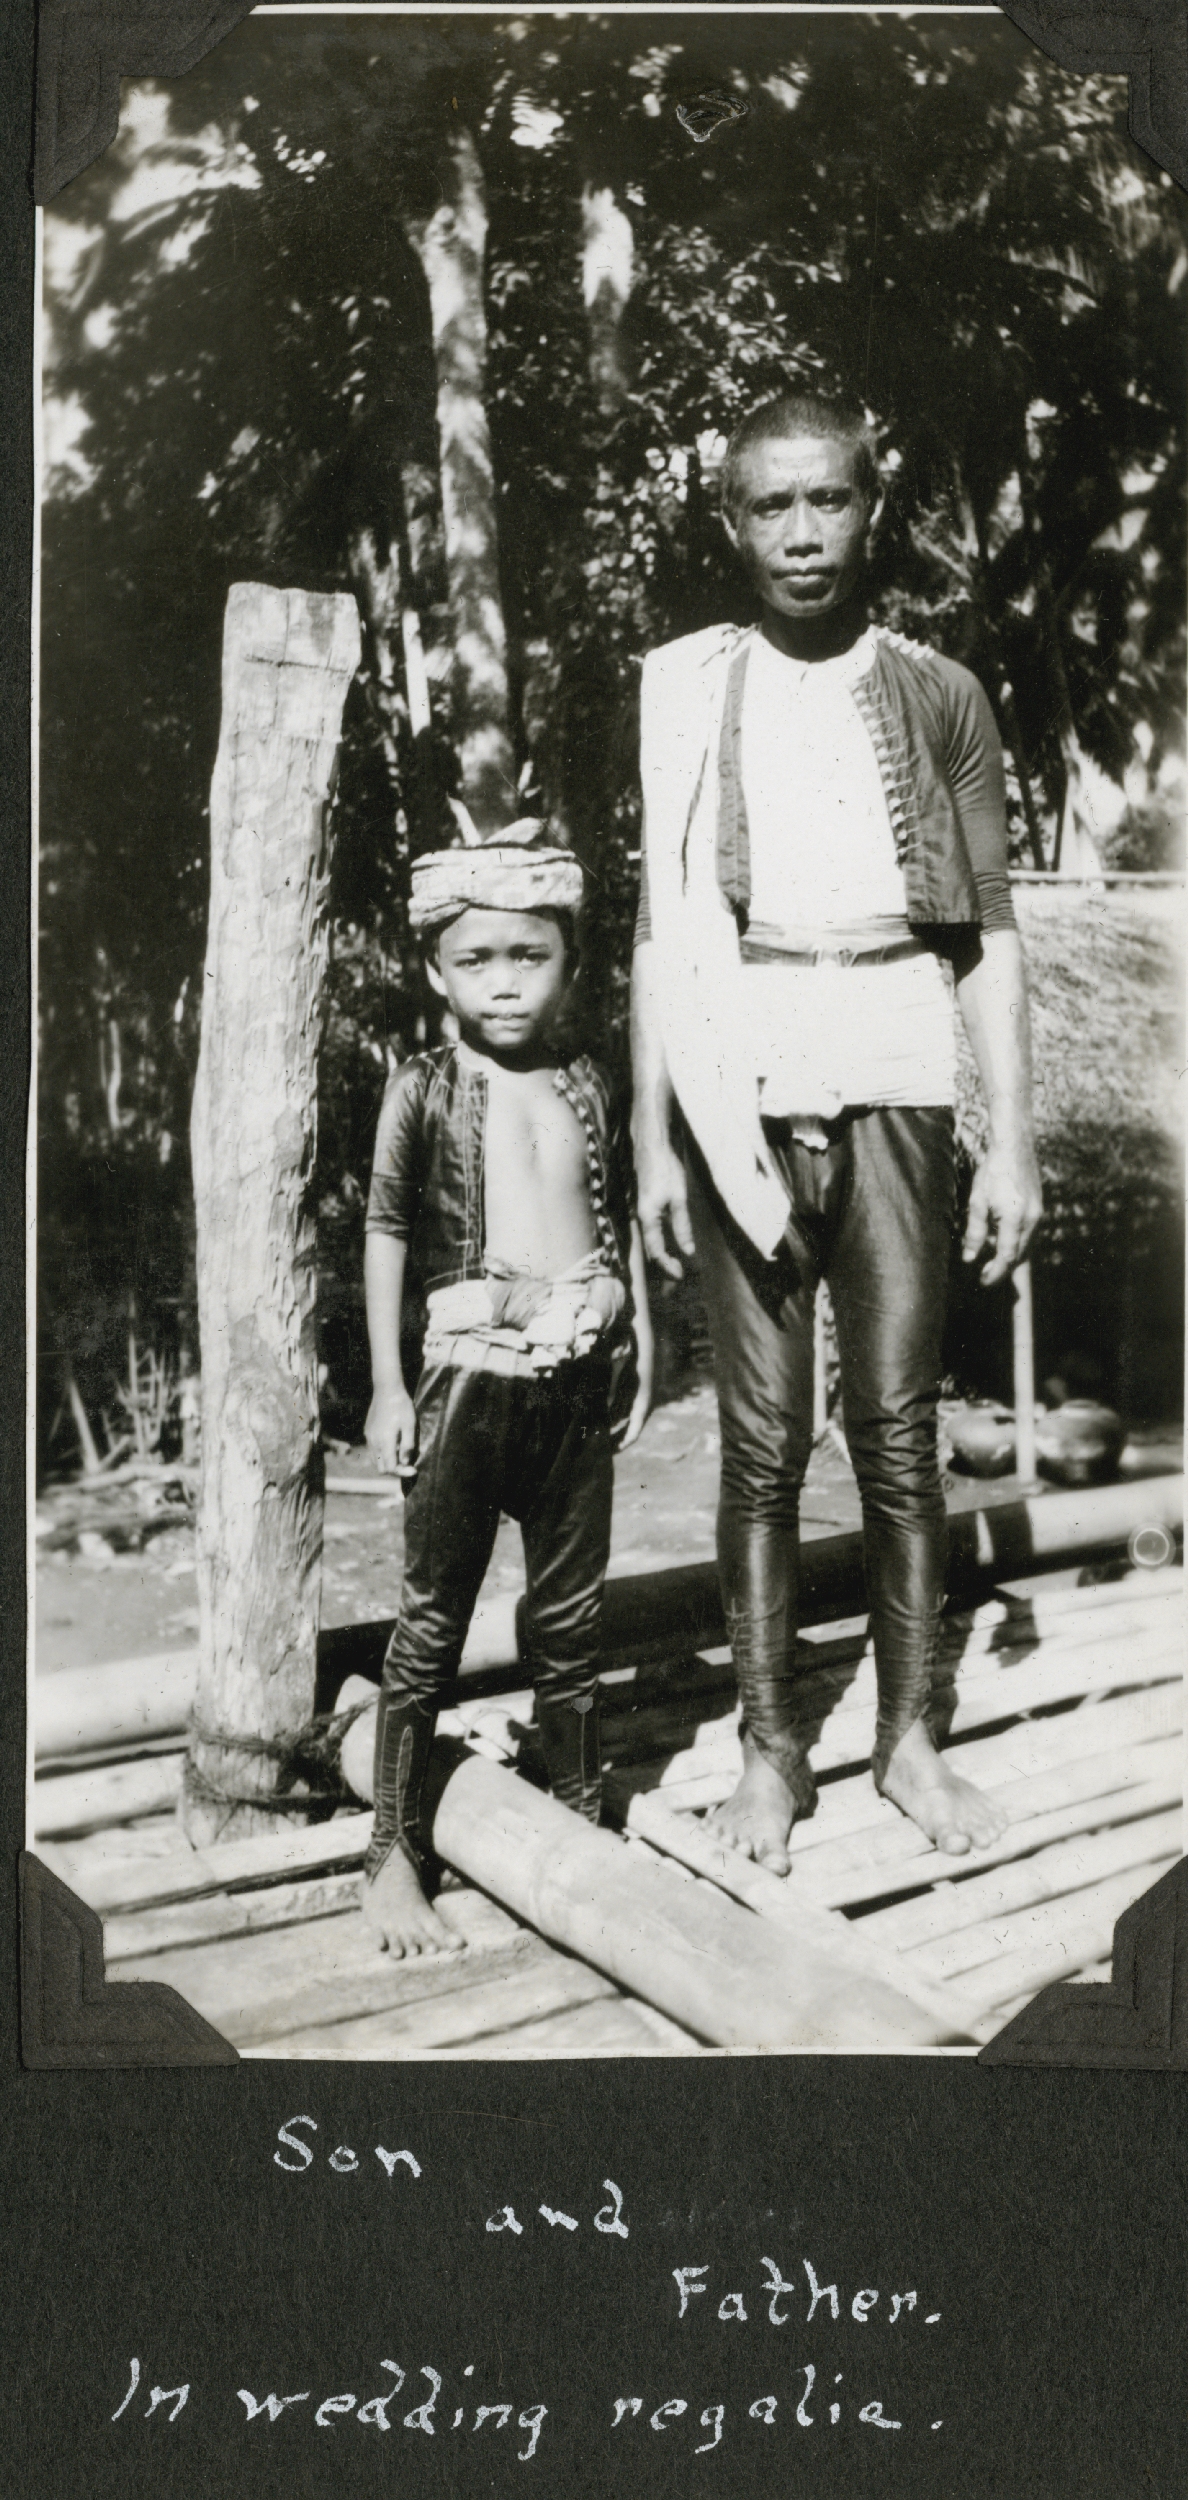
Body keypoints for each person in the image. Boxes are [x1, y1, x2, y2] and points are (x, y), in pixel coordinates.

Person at [631, 391, 1042, 1873]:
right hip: (740, 1049)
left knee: (896, 1427)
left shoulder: (941, 691)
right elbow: (663, 931)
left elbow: (989, 933)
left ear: (875, 506)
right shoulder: (691, 686)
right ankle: (767, 1753)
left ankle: (911, 1743)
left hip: (895, 1040)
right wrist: (657, 1126)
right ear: (728, 520)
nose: (801, 534)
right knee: (759, 1440)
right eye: (768, 507)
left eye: (828, 502)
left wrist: (1013, 1139)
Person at [361, 816, 653, 1956]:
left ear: (569, 961)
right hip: (467, 1382)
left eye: (529, 955)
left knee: (573, 1618)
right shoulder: (423, 1087)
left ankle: (574, 1813)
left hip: (578, 1377)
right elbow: (387, 1228)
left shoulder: (586, 1080)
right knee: (432, 1616)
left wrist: (643, 1345)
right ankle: (391, 1855)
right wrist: (390, 1387)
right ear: (434, 968)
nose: (504, 984)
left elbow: (616, 1218)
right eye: (476, 960)